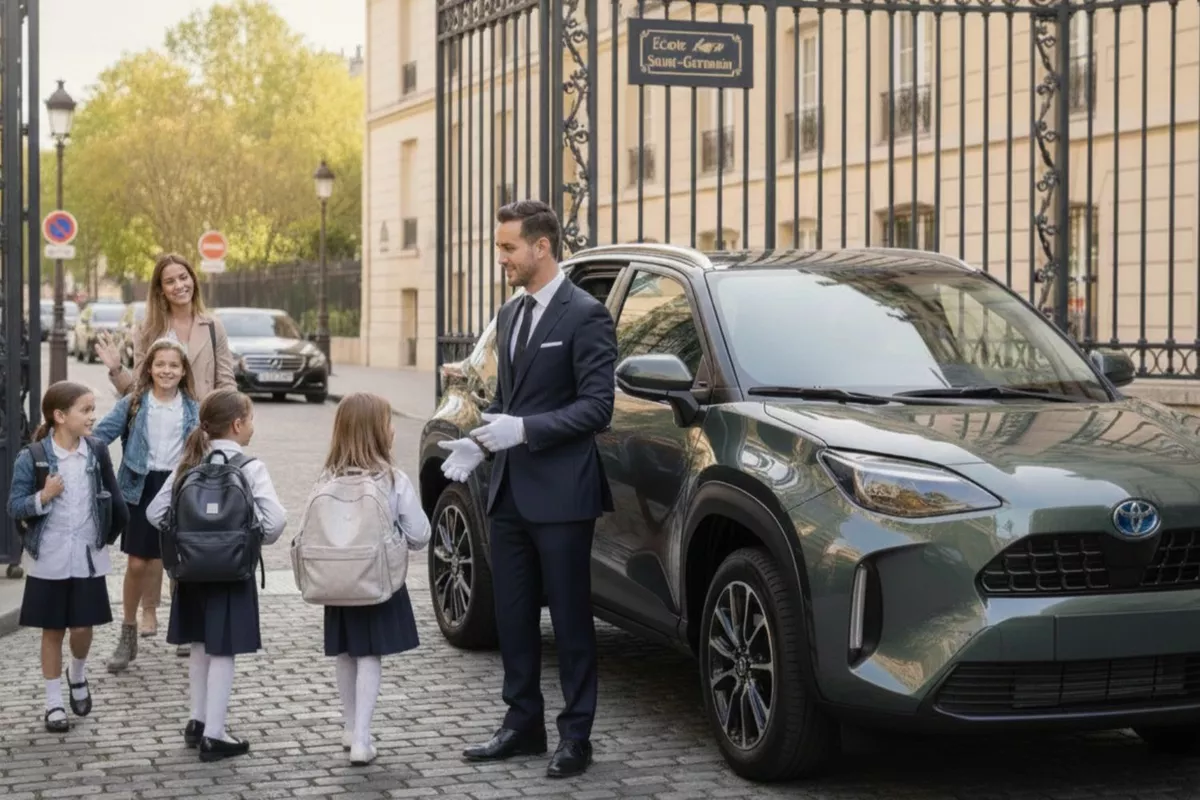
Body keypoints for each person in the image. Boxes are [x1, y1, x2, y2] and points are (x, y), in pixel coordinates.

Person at [439, 200, 617, 779]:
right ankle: (522, 725)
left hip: (563, 495)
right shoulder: (511, 315)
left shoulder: (586, 314)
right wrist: (482, 439)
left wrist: (525, 430)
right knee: (514, 615)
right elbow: (510, 403)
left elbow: (597, 407)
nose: (502, 258)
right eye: (500, 248)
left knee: (567, 618)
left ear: (542, 247)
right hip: (510, 490)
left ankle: (576, 736)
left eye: (508, 247)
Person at [95, 252, 236, 652]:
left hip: (200, 442)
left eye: (184, 277)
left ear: (193, 280)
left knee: (188, 546)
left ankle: (182, 623)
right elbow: (137, 393)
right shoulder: (148, 329)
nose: (179, 285)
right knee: (146, 552)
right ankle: (145, 612)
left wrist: (221, 431)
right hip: (152, 456)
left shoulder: (213, 327)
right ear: (160, 289)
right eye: (170, 280)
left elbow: (226, 382)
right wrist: (115, 370)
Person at [145, 388, 287, 762]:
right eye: (251, 419)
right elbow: (275, 522)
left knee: (198, 645)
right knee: (223, 649)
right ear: (238, 425)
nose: (252, 426)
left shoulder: (188, 461)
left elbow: (155, 514)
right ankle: (215, 733)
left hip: (191, 573)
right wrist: (246, 542)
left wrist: (190, 539)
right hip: (232, 573)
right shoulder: (251, 467)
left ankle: (197, 719)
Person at [312, 392, 431, 766]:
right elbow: (420, 533)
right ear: (378, 433)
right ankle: (363, 737)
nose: (394, 429)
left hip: (338, 581)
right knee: (369, 656)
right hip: (378, 582)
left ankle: (349, 728)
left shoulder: (325, 478)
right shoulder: (393, 480)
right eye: (389, 422)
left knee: (346, 652)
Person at [6, 381, 129, 732]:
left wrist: (109, 535)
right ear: (60, 416)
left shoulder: (97, 451)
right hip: (49, 556)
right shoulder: (32, 457)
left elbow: (114, 500)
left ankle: (77, 672)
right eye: (85, 410)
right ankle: (53, 702)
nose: (92, 417)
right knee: (52, 630)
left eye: (93, 409)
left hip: (88, 555)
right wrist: (43, 496)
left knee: (82, 627)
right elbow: (14, 506)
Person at [91, 338, 199, 673]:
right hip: (140, 487)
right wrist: (67, 448)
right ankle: (128, 633)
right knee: (138, 563)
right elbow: (100, 435)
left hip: (179, 487)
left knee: (180, 563)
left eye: (174, 366)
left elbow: (208, 447)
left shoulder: (194, 408)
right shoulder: (134, 403)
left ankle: (184, 627)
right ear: (149, 369)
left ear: (183, 372)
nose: (166, 371)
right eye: (160, 364)